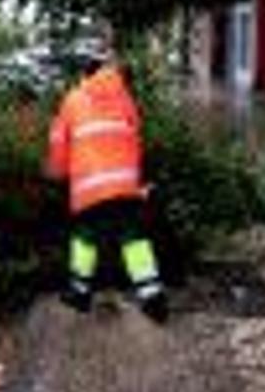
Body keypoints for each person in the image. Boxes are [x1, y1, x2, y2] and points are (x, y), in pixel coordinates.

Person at [46, 43, 168, 323]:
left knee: (85, 237)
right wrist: (136, 182)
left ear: (84, 72)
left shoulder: (73, 100)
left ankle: (79, 293)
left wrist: (57, 176)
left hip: (90, 189)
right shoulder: (125, 98)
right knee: (133, 239)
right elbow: (136, 141)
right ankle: (153, 297)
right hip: (125, 186)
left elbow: (58, 144)